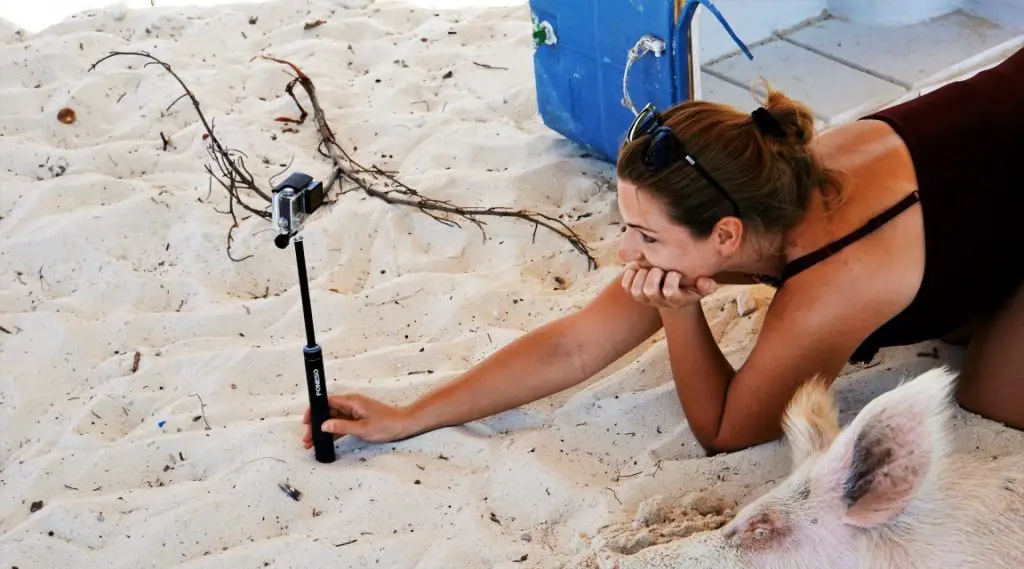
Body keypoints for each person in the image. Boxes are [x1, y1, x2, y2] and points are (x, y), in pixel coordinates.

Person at [302, 47, 1024, 455]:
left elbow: (727, 432)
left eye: (645, 236)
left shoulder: (830, 281)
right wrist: (410, 412)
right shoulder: (761, 180)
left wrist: (681, 319)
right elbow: (574, 346)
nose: (626, 253)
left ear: (726, 237)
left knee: (991, 397)